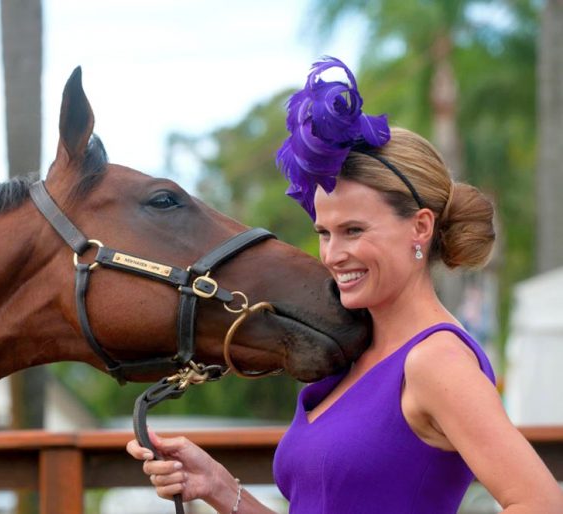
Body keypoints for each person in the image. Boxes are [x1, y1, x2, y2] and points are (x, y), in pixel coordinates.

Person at [126, 57, 563, 513]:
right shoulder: (352, 353)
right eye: (325, 233)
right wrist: (218, 486)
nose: (334, 255)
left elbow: (540, 503)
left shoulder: (437, 361)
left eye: (354, 230)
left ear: (420, 227)